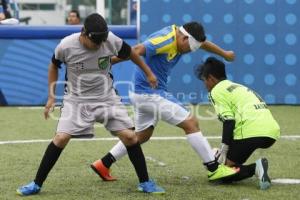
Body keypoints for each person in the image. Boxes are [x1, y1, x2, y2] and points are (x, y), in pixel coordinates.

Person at [16, 13, 165, 196]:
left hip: (106, 97)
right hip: (76, 99)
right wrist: (51, 97)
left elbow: (131, 53)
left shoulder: (110, 40)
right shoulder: (66, 45)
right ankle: (36, 184)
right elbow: (53, 66)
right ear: (83, 33)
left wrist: (148, 73)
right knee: (61, 138)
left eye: (102, 42)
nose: (99, 46)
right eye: (96, 42)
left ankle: (145, 182)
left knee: (130, 137)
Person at [91, 22, 239, 183]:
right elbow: (136, 50)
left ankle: (104, 163)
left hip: (140, 93)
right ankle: (214, 168)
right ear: (183, 38)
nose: (189, 51)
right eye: (189, 47)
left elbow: (203, 44)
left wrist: (224, 53)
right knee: (191, 122)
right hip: (149, 92)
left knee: (142, 135)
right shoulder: (164, 41)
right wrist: (109, 62)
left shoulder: (184, 38)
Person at [195, 57, 280, 190]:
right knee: (229, 165)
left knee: (220, 174)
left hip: (251, 131)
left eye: (204, 80)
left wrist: (224, 149)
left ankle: (255, 168)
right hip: (271, 132)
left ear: (211, 78)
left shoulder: (216, 91)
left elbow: (229, 121)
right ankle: (253, 167)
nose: (205, 85)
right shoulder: (237, 86)